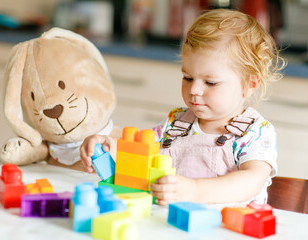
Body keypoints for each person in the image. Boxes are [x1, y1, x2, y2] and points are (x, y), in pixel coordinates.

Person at [80, 9, 285, 206]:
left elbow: (251, 181)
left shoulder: (255, 132)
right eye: (188, 77)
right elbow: (142, 151)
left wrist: (194, 190)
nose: (194, 89)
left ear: (250, 84)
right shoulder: (176, 122)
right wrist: (108, 145)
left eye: (210, 82)